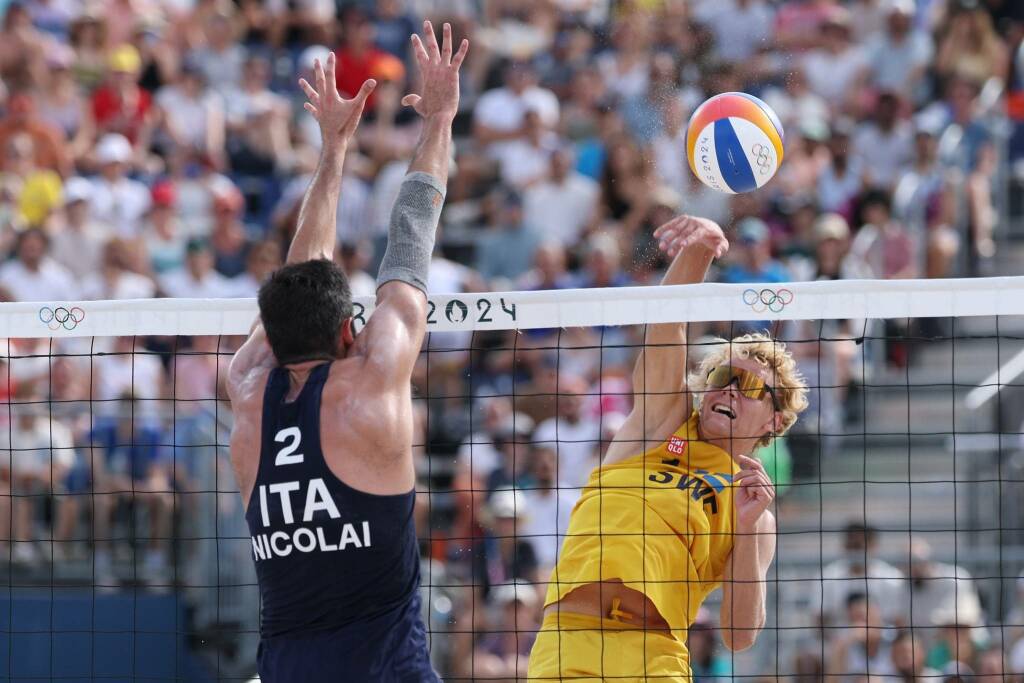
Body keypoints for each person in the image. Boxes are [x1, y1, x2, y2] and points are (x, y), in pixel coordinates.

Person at [225, 22, 467, 682]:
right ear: (348, 333)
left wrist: (332, 152)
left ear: (270, 337)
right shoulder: (373, 383)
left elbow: (302, 274)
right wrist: (439, 121)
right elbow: (410, 244)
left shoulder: (246, 390)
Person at [528, 214, 809, 680]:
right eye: (724, 378)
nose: (731, 391)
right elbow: (666, 329)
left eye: (751, 388)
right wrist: (700, 250)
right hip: (568, 644)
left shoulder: (754, 511)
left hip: (652, 657)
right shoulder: (666, 426)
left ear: (774, 420)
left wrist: (743, 527)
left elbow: (739, 635)